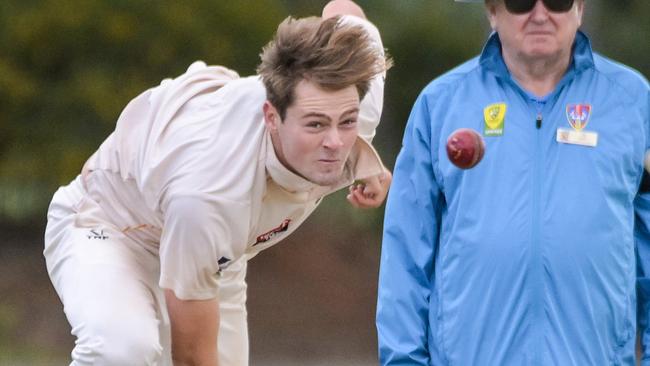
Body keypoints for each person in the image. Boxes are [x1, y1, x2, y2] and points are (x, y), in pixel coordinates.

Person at [44, 1, 392, 365]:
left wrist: (368, 167)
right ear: (272, 117)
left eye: (347, 122)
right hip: (113, 224)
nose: (336, 143)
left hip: (215, 251)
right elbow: (193, 357)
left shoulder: (355, 94)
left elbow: (344, 9)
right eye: (315, 125)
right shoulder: (211, 195)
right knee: (123, 351)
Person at [377, 0, 649, 364]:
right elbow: (406, 257)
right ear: (492, 11)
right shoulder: (440, 104)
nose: (539, 14)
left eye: (557, 1)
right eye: (520, 2)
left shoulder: (633, 101)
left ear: (579, 8)